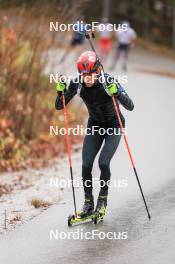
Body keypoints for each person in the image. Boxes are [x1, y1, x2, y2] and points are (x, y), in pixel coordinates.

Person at [55, 51, 134, 217]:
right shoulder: (77, 83)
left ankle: (102, 201)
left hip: (114, 125)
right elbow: (59, 106)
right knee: (86, 165)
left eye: (90, 74)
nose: (87, 78)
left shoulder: (109, 81)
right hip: (95, 125)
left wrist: (117, 93)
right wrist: (60, 92)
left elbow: (130, 106)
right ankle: (88, 203)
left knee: (103, 163)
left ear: (98, 71)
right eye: (84, 75)